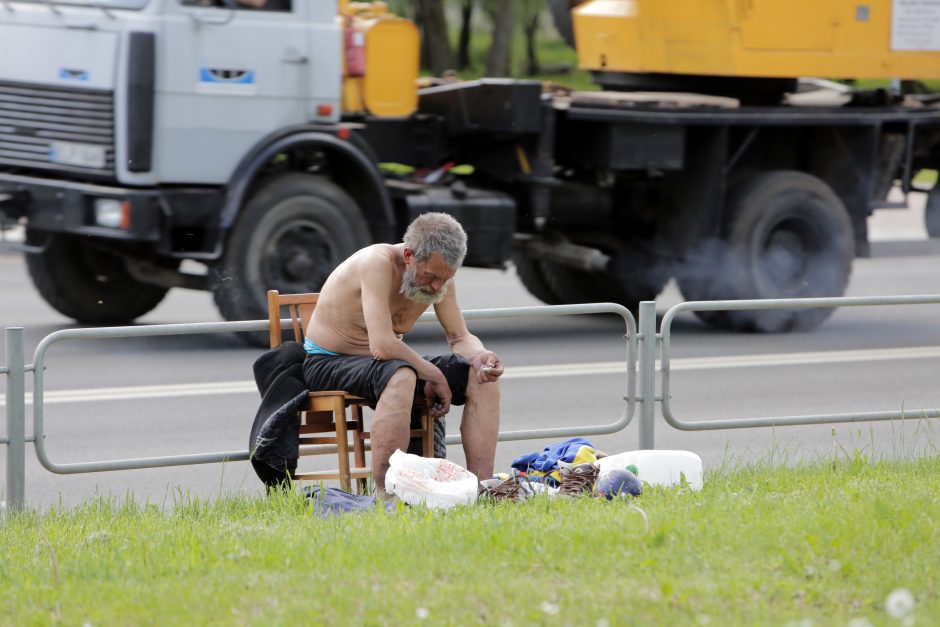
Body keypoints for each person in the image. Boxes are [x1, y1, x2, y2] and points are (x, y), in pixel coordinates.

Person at [303, 213, 503, 494]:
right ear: (409, 255)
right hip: (329, 361)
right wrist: (433, 374)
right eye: (431, 276)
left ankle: (482, 488)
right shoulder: (376, 263)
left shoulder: (441, 276)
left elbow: (459, 337)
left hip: (386, 364)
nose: (437, 287)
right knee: (402, 375)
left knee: (480, 376)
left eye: (445, 279)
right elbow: (382, 345)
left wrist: (481, 355)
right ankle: (388, 495)